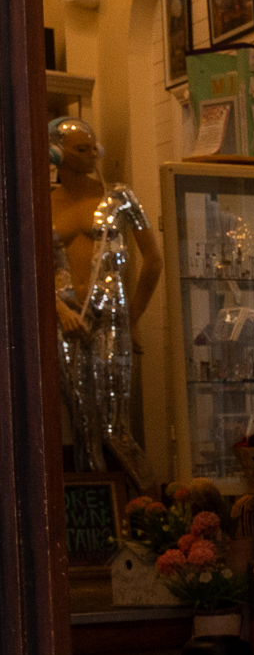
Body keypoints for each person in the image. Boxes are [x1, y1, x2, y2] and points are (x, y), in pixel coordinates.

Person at [50, 117, 160, 477]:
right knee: (81, 423)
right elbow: (28, 268)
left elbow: (153, 261)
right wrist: (56, 308)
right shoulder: (43, 202)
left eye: (93, 147)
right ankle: (96, 512)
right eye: (81, 149)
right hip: (66, 319)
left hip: (110, 315)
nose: (91, 155)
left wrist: (132, 317)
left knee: (117, 424)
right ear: (57, 152)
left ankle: (143, 501)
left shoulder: (119, 197)